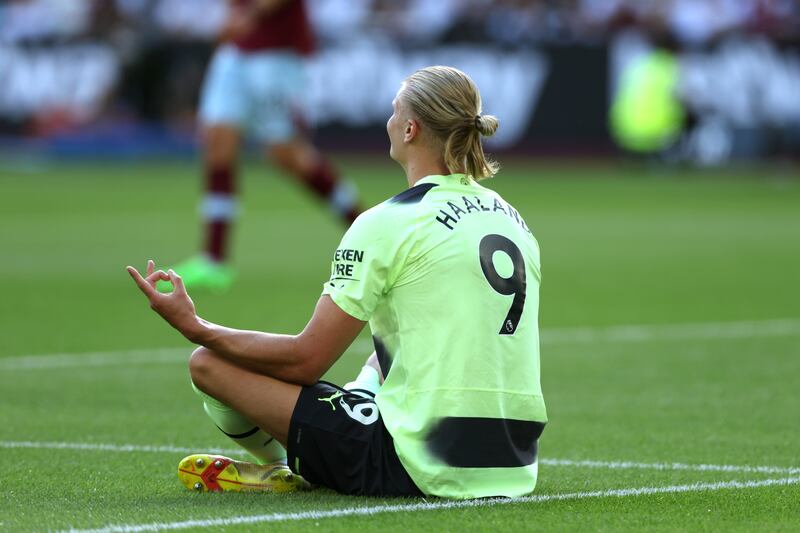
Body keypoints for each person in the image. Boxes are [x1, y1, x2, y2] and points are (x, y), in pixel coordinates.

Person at [129, 66, 547, 498]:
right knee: (381, 356)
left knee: (209, 362)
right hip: (513, 467)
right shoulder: (512, 219)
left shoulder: (387, 221)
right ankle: (326, 438)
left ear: (409, 129)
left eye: (393, 111)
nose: (388, 121)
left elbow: (305, 361)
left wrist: (195, 326)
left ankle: (278, 467)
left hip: (418, 465)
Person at [162, 0, 363, 292]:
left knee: (287, 154)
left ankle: (365, 226)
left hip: (277, 54)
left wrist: (249, 13)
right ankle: (214, 259)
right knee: (217, 142)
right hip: (236, 49)